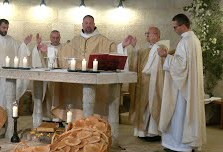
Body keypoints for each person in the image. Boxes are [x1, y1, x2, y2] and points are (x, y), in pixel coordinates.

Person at [39, 15, 117, 145]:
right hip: (76, 86)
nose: (88, 25)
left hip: (95, 85)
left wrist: (123, 46)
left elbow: (115, 52)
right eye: (85, 23)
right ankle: (75, 131)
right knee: (76, 107)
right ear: (82, 24)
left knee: (95, 109)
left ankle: (95, 134)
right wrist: (49, 50)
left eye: (90, 23)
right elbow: (60, 52)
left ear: (94, 24)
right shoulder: (74, 41)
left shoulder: (104, 41)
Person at [157, 14, 206, 152]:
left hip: (183, 87)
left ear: (182, 25)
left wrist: (166, 56)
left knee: (179, 114)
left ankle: (179, 145)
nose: (174, 30)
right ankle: (187, 144)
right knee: (185, 114)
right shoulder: (194, 39)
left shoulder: (186, 41)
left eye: (175, 27)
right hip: (189, 85)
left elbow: (180, 66)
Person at [118, 27, 168, 141]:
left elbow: (156, 66)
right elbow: (138, 59)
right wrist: (135, 46)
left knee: (152, 106)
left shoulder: (161, 48)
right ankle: (142, 132)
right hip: (142, 83)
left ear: (156, 35)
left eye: (148, 34)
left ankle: (153, 132)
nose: (147, 36)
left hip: (154, 83)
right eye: (146, 34)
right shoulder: (147, 49)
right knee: (141, 107)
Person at [31, 30, 62, 121]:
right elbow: (37, 56)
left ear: (60, 38)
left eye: (57, 37)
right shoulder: (46, 47)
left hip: (59, 78)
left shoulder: (64, 47)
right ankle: (47, 116)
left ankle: (58, 117)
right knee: (47, 96)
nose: (55, 39)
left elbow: (62, 58)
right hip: (47, 78)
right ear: (50, 38)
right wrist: (37, 47)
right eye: (53, 37)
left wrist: (49, 51)